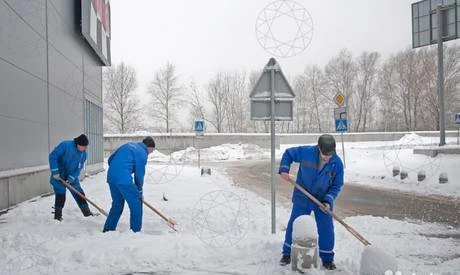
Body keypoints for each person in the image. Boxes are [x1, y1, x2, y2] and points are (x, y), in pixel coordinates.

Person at [278, 134, 344, 270]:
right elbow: (289, 154)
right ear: (318, 148)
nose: (327, 157)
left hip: (322, 200)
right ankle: (287, 253)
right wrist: (284, 169)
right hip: (303, 195)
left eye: (330, 154)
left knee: (326, 228)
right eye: (324, 154)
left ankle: (327, 258)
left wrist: (328, 200)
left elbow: (336, 185)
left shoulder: (336, 163)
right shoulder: (307, 152)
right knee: (295, 223)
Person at [103, 136, 155, 233]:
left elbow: (110, 159)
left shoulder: (127, 145)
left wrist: (118, 169)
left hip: (111, 177)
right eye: (151, 151)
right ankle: (135, 232)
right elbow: (139, 175)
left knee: (117, 204)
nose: (150, 153)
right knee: (136, 203)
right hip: (124, 179)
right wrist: (139, 191)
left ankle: (108, 229)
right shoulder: (142, 153)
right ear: (150, 147)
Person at [49, 134, 93, 221]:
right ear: (78, 144)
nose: (84, 149)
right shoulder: (65, 145)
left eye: (85, 147)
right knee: (60, 194)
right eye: (83, 146)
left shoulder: (83, 155)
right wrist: (55, 171)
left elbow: (79, 168)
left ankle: (87, 213)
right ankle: (58, 216)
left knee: (79, 194)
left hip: (71, 175)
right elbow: (53, 156)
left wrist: (72, 177)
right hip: (59, 174)